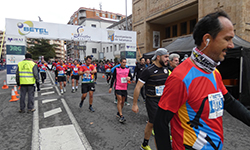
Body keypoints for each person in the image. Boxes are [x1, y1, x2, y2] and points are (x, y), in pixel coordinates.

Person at [154, 11, 250, 150]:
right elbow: (160, 123)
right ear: (207, 40)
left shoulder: (214, 72)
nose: (231, 45)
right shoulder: (180, 77)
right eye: (227, 39)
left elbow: (230, 103)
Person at [132, 48, 170, 150]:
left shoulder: (166, 69)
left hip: (164, 100)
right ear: (158, 57)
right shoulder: (148, 71)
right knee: (157, 125)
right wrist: (135, 104)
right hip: (152, 101)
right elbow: (138, 87)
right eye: (165, 57)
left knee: (151, 123)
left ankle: (144, 144)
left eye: (168, 57)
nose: (168, 59)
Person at [109, 58, 133, 123]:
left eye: (125, 62)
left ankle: (119, 113)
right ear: (120, 62)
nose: (124, 63)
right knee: (119, 101)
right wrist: (111, 87)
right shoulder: (116, 69)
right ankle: (121, 116)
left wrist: (129, 78)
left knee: (122, 102)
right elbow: (113, 78)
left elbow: (131, 77)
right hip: (117, 87)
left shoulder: (127, 69)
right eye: (123, 62)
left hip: (124, 88)